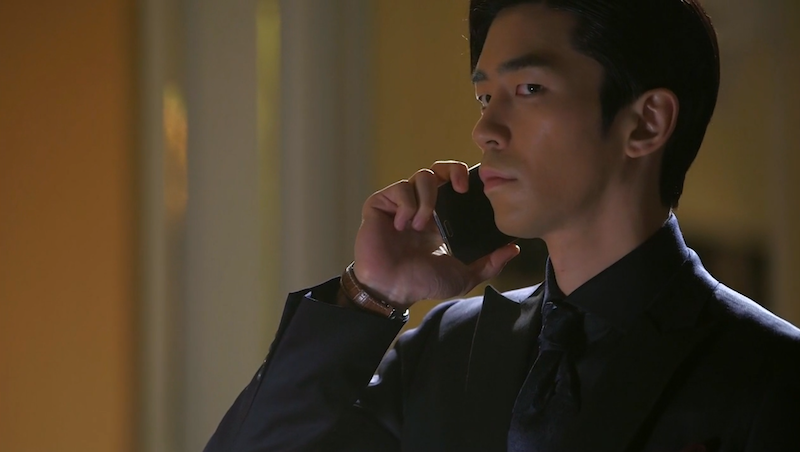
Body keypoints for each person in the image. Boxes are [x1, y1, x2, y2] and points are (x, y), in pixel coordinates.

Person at [205, 0, 800, 450]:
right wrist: (371, 293)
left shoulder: (770, 375)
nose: (484, 131)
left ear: (646, 122)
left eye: (529, 88)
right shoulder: (449, 348)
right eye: (486, 98)